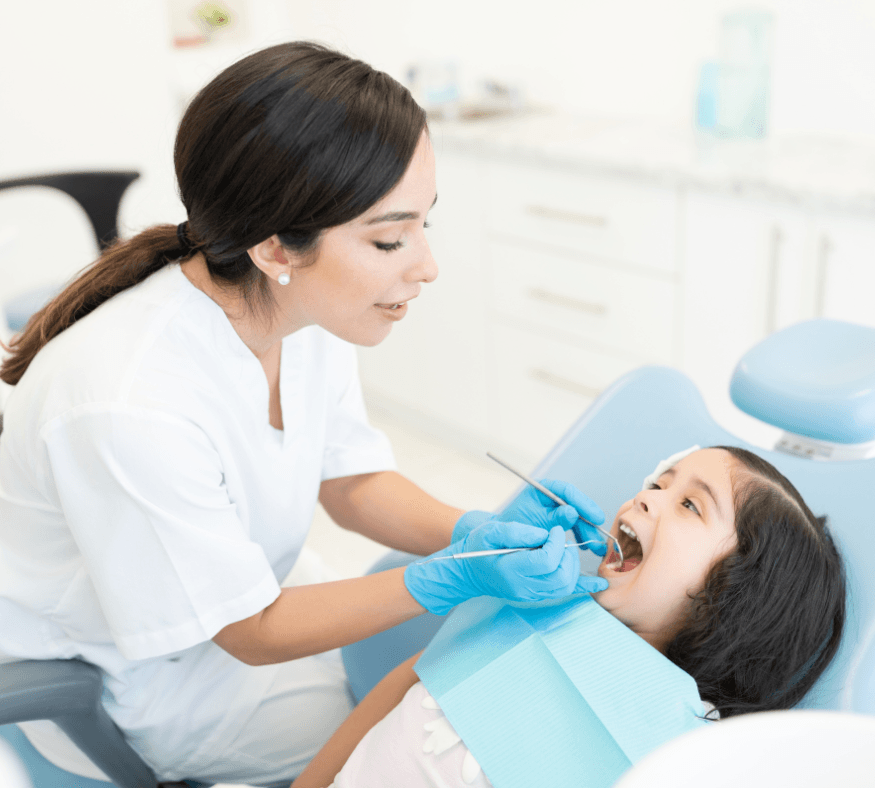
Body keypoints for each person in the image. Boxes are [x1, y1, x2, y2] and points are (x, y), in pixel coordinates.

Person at [0, 42, 607, 785]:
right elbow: (249, 632)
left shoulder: (293, 310)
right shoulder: (130, 402)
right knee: (415, 738)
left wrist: (474, 535)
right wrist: (447, 578)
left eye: (425, 224)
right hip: (145, 676)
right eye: (389, 238)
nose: (426, 265)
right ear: (275, 246)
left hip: (247, 591)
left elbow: (349, 483)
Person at [291, 446, 848, 788]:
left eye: (689, 505)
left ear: (737, 599)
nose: (645, 498)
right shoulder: (534, 608)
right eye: (659, 481)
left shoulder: (687, 749)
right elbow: (403, 689)